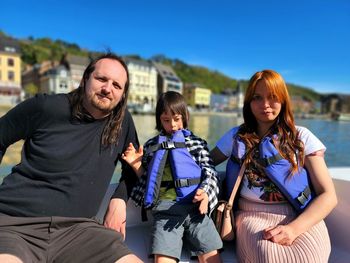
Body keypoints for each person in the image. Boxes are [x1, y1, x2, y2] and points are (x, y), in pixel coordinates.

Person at [0, 53, 143, 263]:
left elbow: (134, 166)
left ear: (122, 95)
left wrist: (119, 199)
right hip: (14, 224)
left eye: (116, 85)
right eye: (102, 79)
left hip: (81, 231)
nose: (107, 89)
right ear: (85, 79)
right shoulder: (45, 107)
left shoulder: (123, 123)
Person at [210, 70, 337, 262]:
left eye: (273, 97)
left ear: (283, 100)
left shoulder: (301, 137)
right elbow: (202, 163)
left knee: (310, 256)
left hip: (301, 215)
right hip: (251, 215)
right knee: (268, 256)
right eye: (257, 98)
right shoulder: (236, 137)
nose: (265, 105)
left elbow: (329, 195)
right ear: (248, 102)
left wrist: (294, 229)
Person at [122, 91, 223, 263]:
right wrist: (136, 164)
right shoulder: (152, 146)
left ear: (184, 116)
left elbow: (210, 172)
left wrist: (205, 194)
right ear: (159, 120)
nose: (173, 125)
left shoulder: (196, 143)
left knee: (212, 258)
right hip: (165, 212)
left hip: (195, 210)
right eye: (166, 120)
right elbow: (148, 180)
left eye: (176, 118)